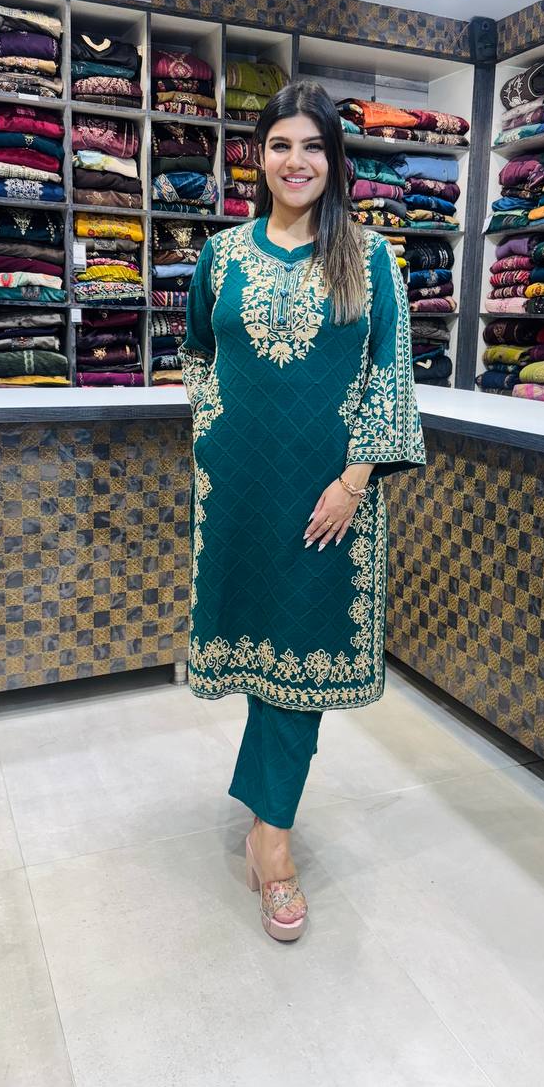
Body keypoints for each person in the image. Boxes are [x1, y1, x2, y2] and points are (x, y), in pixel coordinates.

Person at [178, 80, 425, 942]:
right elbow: (197, 352)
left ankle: (272, 840)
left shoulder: (369, 256)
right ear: (259, 157)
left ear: (334, 159)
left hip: (330, 497)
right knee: (263, 651)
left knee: (305, 656)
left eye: (313, 146)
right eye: (281, 145)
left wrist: (354, 481)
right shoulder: (221, 254)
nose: (296, 161)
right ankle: (267, 818)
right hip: (239, 489)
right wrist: (212, 433)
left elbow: (390, 370)